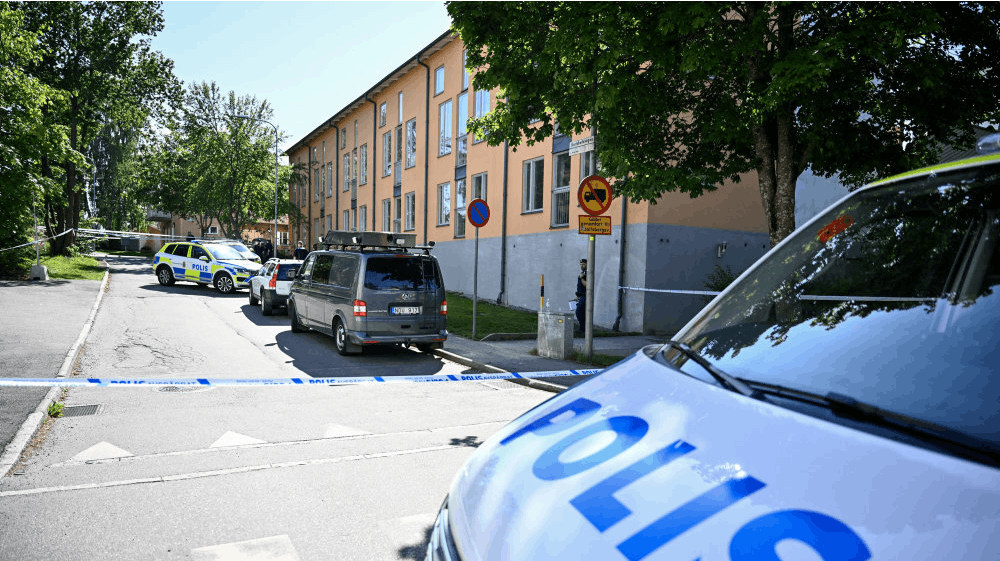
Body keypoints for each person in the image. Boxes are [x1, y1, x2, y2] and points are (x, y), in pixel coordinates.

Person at [575, 258, 587, 333]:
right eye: (581, 264)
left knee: (579, 312)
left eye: (583, 264)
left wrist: (582, 278)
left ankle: (583, 329)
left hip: (585, 296)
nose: (582, 266)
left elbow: (587, 285)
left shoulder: (587, 274)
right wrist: (577, 296)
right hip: (581, 296)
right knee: (581, 312)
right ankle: (583, 328)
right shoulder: (583, 273)